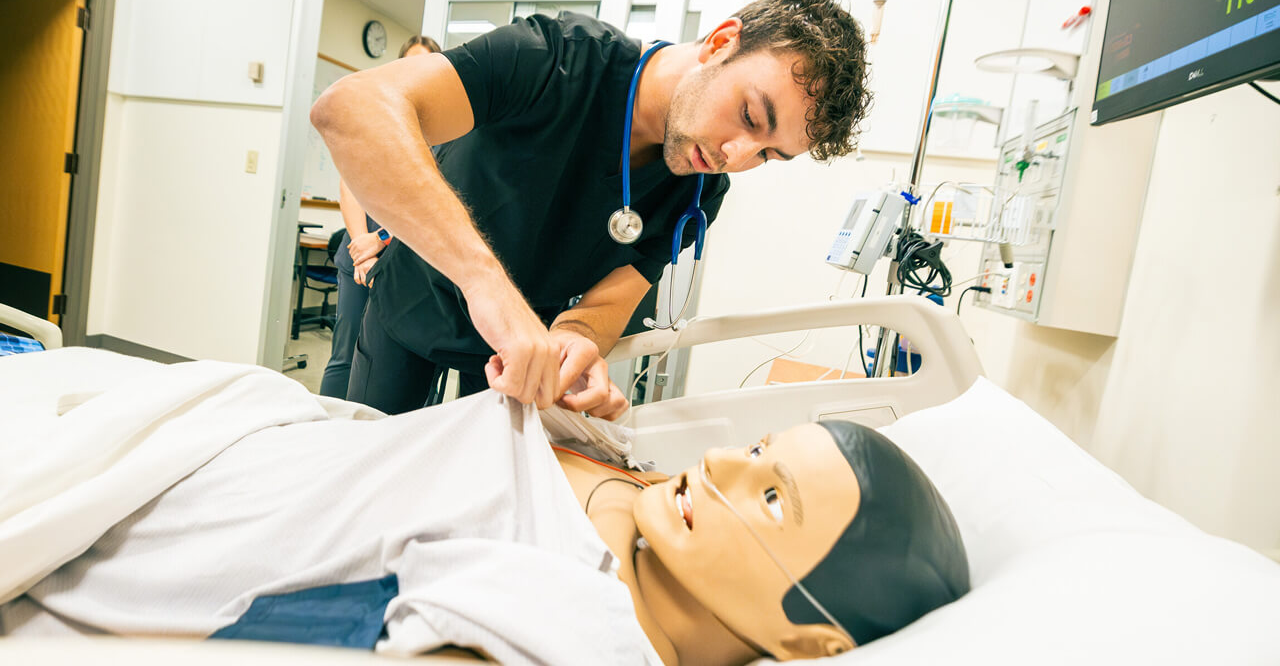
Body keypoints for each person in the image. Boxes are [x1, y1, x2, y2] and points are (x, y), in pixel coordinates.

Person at [0, 387, 969, 664]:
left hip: (159, 496)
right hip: (224, 421)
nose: (719, 464)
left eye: (768, 498)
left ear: (807, 638)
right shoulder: (639, 478)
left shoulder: (573, 622)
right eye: (755, 449)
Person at [310, 0, 872, 419]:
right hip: (414, 301)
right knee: (372, 471)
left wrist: (576, 344)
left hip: (518, 350)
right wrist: (486, 283)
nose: (736, 155)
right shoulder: (554, 59)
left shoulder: (699, 187)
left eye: (770, 155)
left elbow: (613, 299)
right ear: (721, 42)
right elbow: (350, 109)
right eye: (751, 116)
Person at [320, 35, 444, 399]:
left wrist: (383, 240)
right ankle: (326, 439)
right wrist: (362, 245)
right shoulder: (376, 116)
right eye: (408, 63)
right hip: (359, 256)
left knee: (406, 363)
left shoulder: (444, 129)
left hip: (406, 262)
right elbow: (350, 183)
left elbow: (433, 202)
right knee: (343, 355)